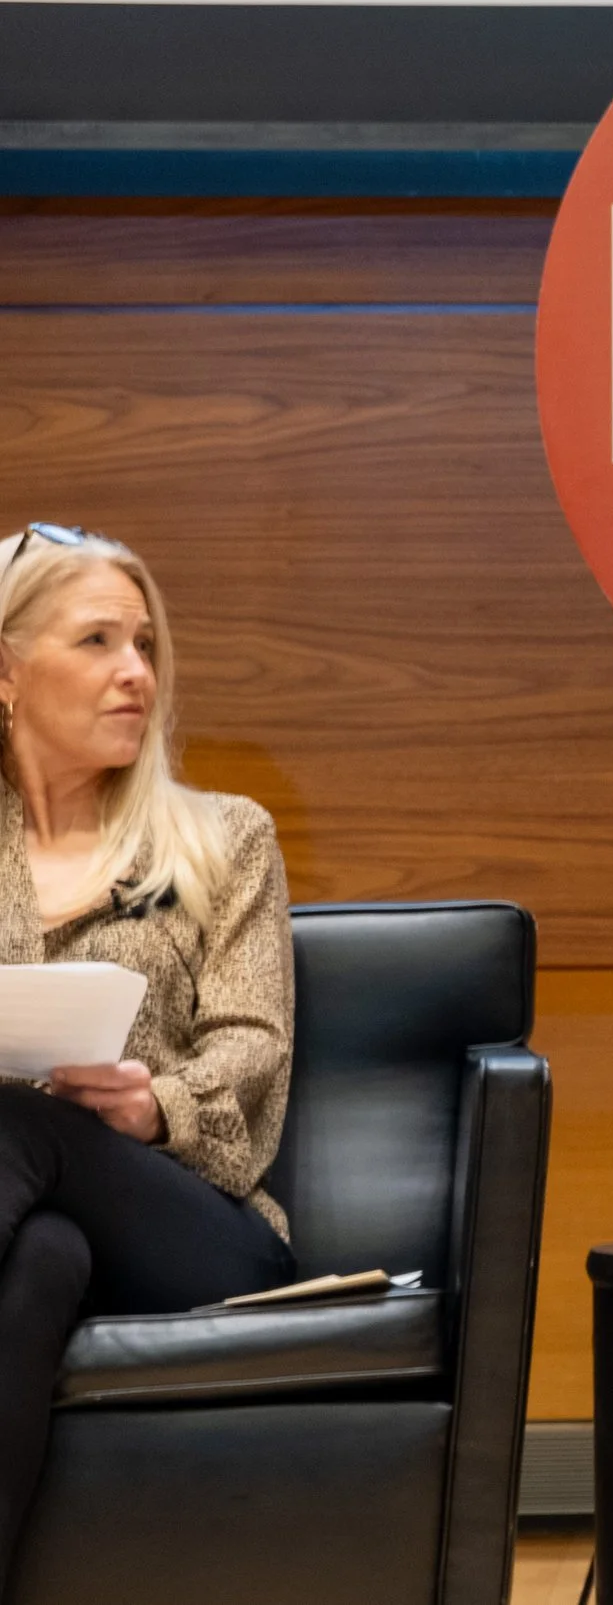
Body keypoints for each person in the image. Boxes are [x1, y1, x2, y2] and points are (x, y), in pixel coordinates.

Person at [0, 524, 295, 1574]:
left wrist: (154, 1100)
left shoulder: (225, 838)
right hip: (35, 1223)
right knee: (40, 1260)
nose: (136, 672)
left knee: (19, 1114)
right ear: (6, 670)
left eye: (145, 643)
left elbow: (254, 1045)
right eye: (96, 641)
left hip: (194, 1224)